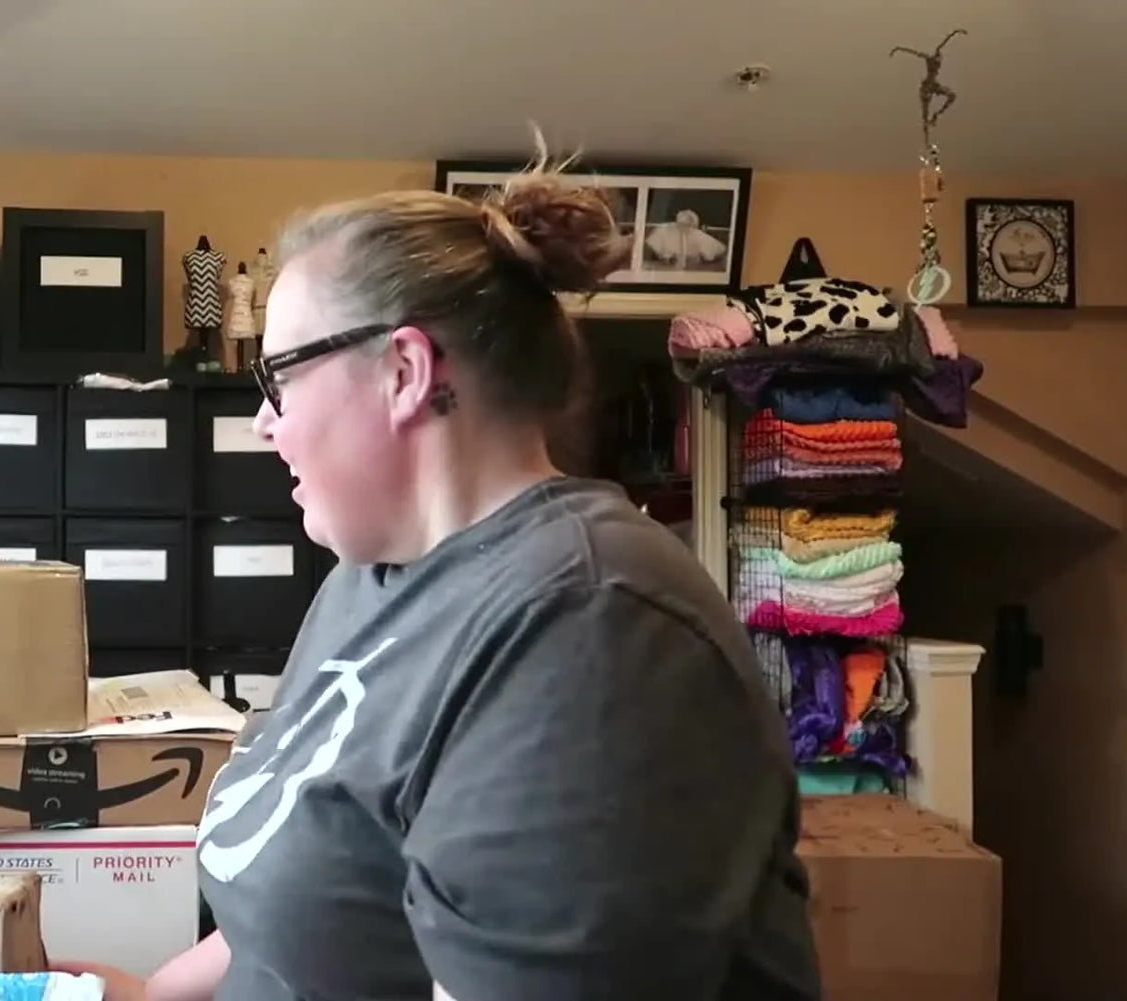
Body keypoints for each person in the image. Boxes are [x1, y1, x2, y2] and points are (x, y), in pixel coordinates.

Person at [56, 154, 821, 1000]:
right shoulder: (364, 581)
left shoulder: (589, 629)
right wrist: (143, 995)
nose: (264, 422)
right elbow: (292, 905)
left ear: (404, 372)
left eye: (277, 376)